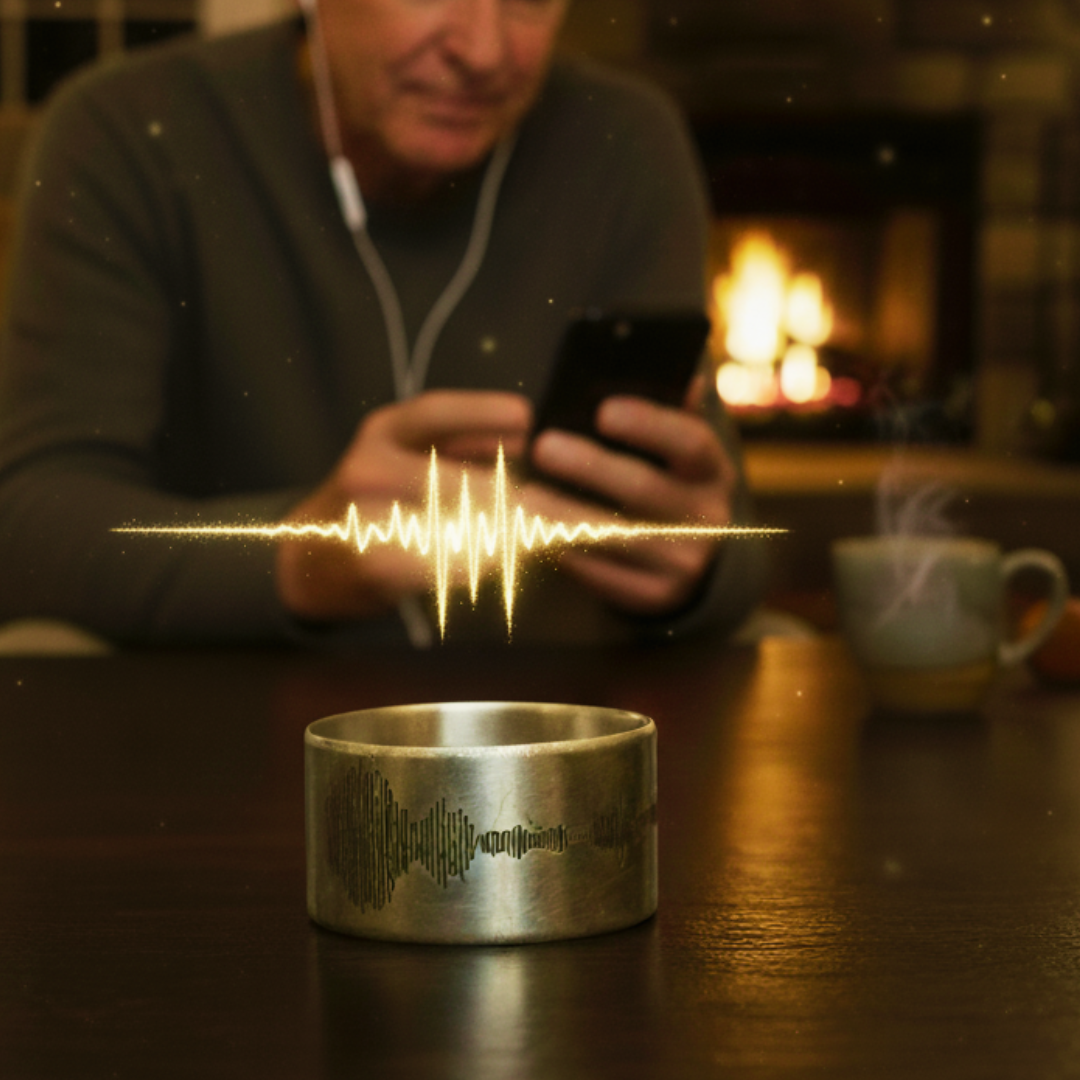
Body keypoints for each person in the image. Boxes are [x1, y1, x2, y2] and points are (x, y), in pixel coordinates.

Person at [0, 0, 768, 647]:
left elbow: (730, 545)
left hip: (548, 733)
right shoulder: (129, 133)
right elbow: (33, 526)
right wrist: (299, 558)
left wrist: (698, 567)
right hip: (218, 733)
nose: (484, 50)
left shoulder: (627, 141)